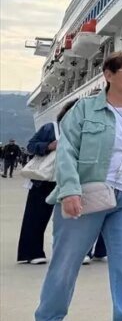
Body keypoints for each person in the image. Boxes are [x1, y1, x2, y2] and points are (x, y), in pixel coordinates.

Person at [33, 52, 122, 321]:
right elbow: (66, 151)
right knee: (66, 262)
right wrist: (69, 191)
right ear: (108, 74)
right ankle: (47, 319)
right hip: (85, 195)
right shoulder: (84, 109)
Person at [17, 100, 78, 264]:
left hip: (71, 179)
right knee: (36, 216)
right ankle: (32, 253)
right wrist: (48, 146)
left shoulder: (85, 130)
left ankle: (72, 253)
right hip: (45, 179)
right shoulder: (51, 128)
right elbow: (31, 146)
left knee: (72, 218)